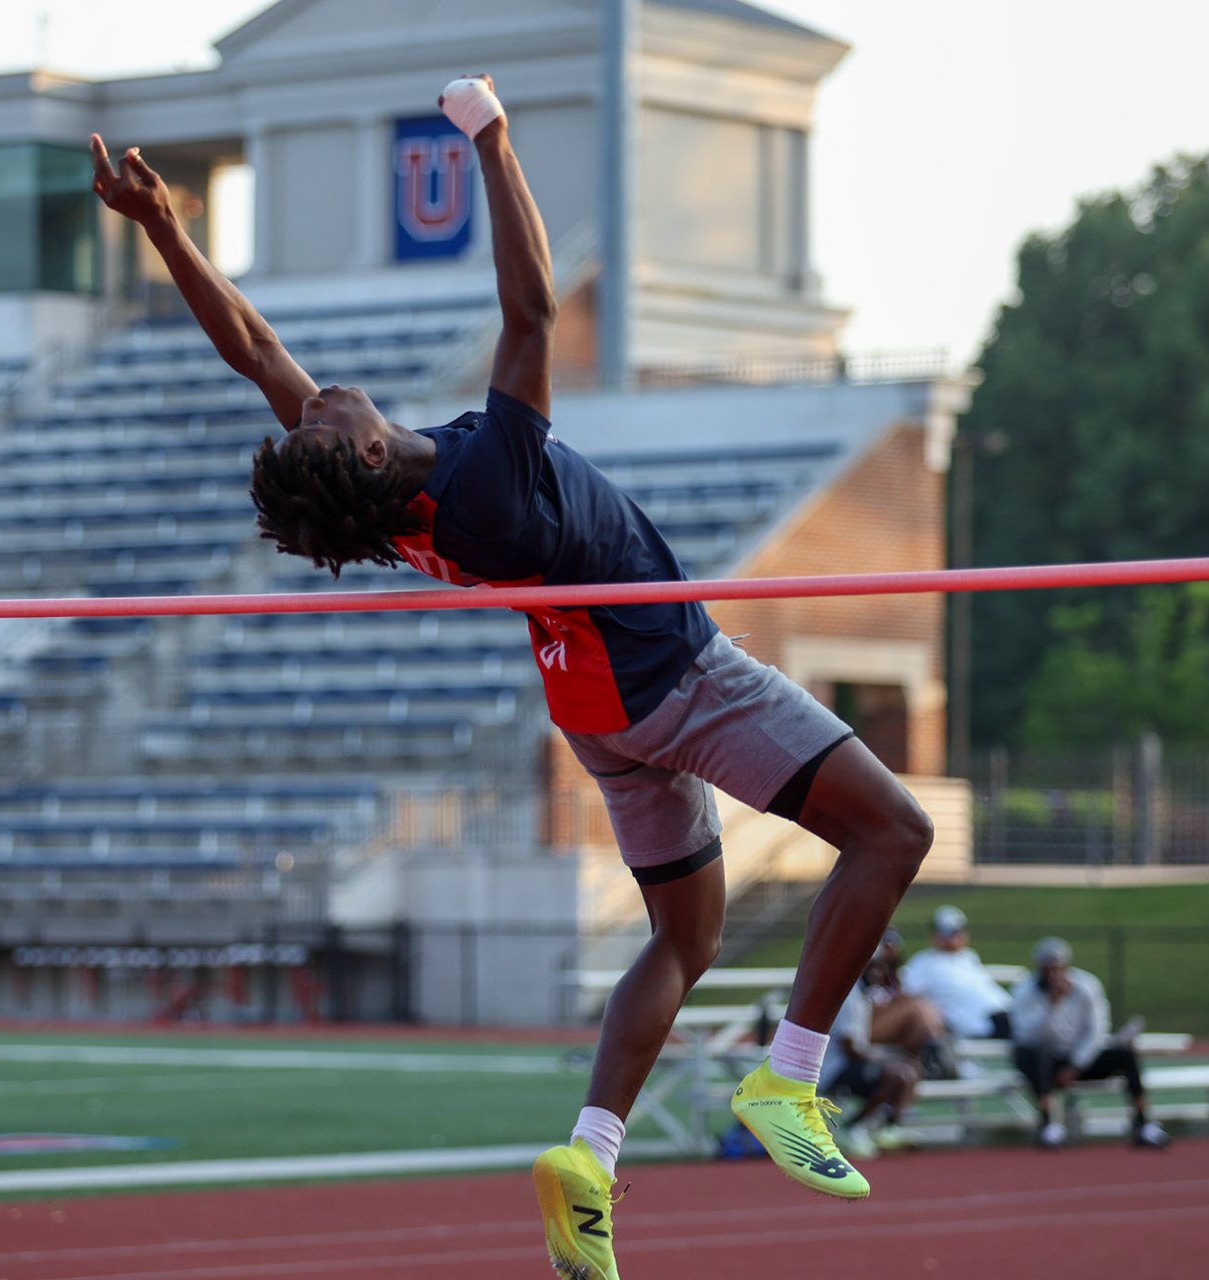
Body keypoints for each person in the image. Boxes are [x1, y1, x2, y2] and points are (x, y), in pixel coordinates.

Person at [93, 74, 933, 1280]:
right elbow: (532, 307)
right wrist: (492, 139)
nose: (316, 400)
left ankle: (589, 1155)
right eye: (322, 419)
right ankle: (790, 1076)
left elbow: (255, 349)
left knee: (681, 939)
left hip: (593, 707)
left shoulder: (378, 499)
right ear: (368, 450)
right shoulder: (485, 483)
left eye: (310, 416)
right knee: (891, 830)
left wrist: (167, 227)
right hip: (671, 673)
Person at [1011, 936, 1168, 1150]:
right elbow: (1026, 1034)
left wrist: (1076, 1065)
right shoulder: (1024, 991)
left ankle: (1142, 1122)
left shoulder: (1087, 987)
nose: (1053, 975)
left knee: (1125, 1055)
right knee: (1031, 1055)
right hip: (1045, 1058)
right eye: (1048, 969)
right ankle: (1047, 1123)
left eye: (1057, 968)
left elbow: (1097, 1031)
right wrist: (1051, 1005)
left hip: (1079, 1058)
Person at [820, 974, 921, 1159]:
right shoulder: (850, 996)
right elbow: (850, 1047)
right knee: (896, 1076)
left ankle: (888, 1127)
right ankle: (851, 1127)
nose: (881, 973)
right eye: (877, 968)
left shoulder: (864, 995)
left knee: (909, 1070)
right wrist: (884, 1059)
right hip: (833, 1068)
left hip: (849, 1064)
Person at [899, 904, 1013, 1042]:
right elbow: (905, 993)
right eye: (946, 934)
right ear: (934, 935)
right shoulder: (924, 962)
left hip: (1006, 1011)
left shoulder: (969, 956)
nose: (953, 939)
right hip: (981, 1024)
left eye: (957, 933)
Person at [861, 929, 955, 1079]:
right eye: (886, 947)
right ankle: (942, 1058)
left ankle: (934, 1060)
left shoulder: (893, 976)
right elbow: (865, 1006)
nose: (891, 952)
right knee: (918, 1006)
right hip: (862, 1028)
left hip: (887, 1027)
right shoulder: (865, 973)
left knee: (919, 1018)